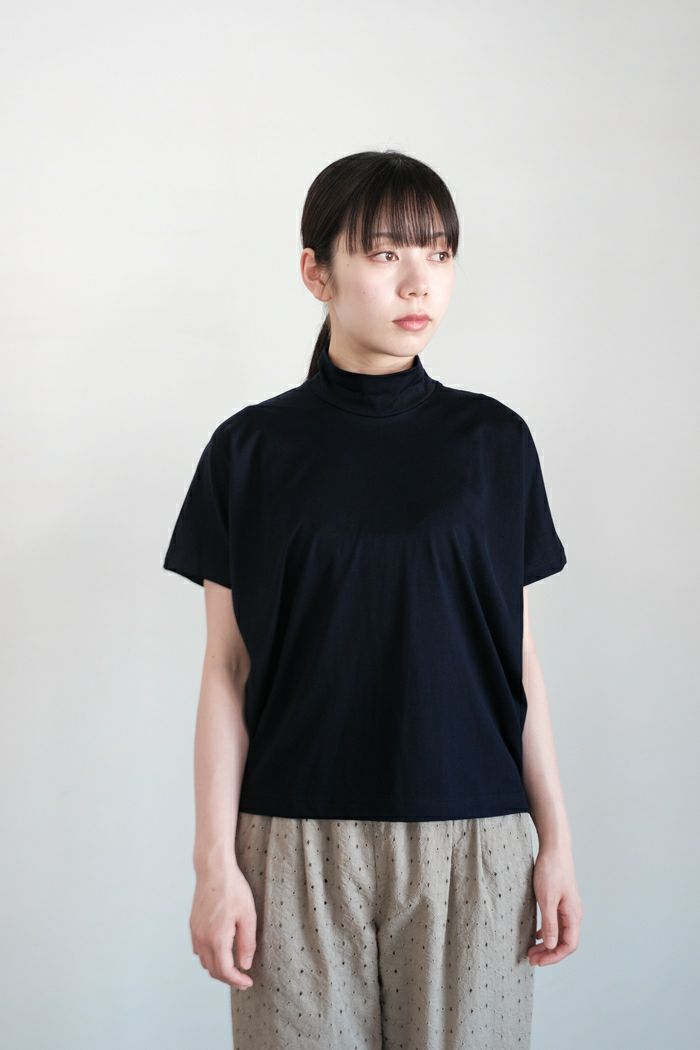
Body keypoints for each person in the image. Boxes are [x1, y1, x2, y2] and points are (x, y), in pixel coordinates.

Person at [163, 149, 584, 1050]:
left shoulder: (495, 445)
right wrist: (214, 864)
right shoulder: (249, 452)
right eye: (386, 253)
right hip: (290, 845)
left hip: (474, 840)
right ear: (316, 272)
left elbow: (517, 662)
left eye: (439, 252)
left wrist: (556, 843)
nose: (418, 280)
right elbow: (225, 669)